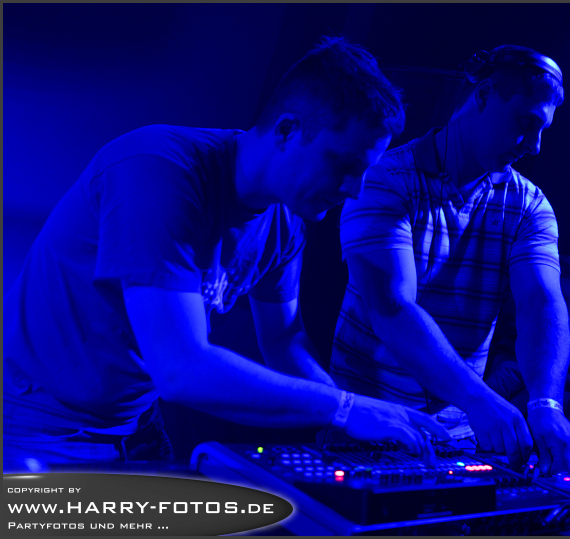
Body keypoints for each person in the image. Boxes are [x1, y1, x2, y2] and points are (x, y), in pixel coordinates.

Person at [3, 37, 449, 472]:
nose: (354, 190)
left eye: (365, 173)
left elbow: (284, 340)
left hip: (136, 429)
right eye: (344, 165)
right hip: (37, 430)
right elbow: (180, 369)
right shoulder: (157, 170)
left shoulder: (286, 218)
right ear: (287, 130)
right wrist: (345, 407)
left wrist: (349, 425)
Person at [328, 45, 570, 475]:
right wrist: (480, 400)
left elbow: (540, 303)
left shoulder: (530, 205)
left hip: (459, 439)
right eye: (526, 122)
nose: (536, 146)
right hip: (365, 429)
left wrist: (546, 404)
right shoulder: (386, 179)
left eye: (543, 130)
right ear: (483, 95)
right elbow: (391, 308)